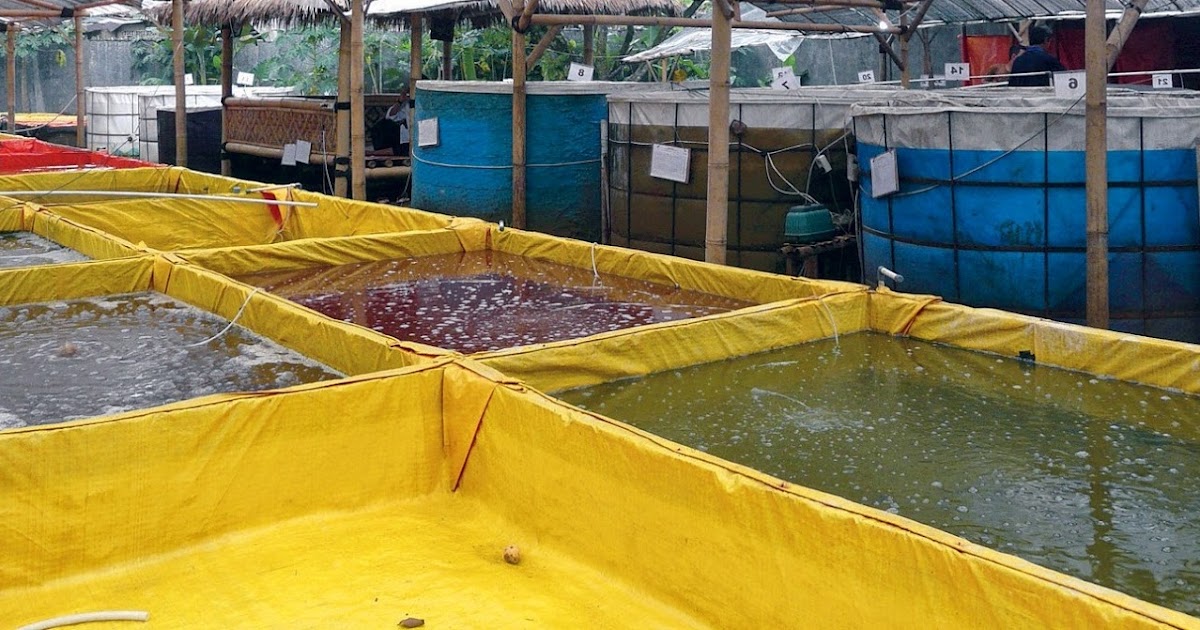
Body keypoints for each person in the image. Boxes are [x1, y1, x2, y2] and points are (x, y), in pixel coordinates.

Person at [369, 87, 411, 156]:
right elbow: (391, 116)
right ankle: (379, 151)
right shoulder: (408, 104)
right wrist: (400, 101)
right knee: (382, 126)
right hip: (405, 135)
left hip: (415, 140)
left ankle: (374, 153)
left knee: (405, 148)